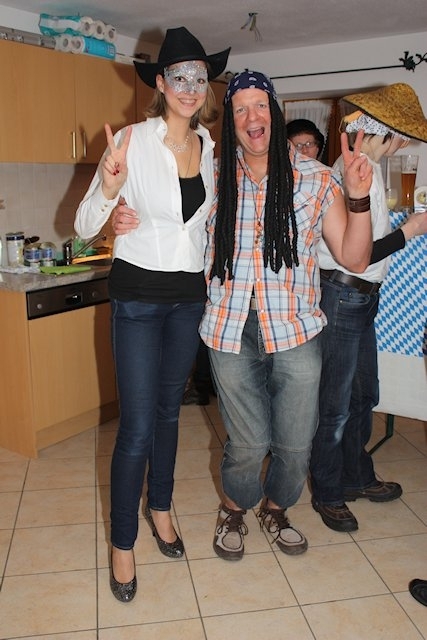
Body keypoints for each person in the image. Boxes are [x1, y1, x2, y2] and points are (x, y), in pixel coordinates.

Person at [75, 26, 230, 602]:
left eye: (198, 77)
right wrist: (108, 191)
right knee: (138, 425)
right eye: (178, 77)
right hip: (138, 297)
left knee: (170, 413)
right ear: (160, 84)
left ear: (205, 87)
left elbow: (202, 227)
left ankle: (160, 507)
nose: (189, 87)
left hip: (188, 298)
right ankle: (122, 542)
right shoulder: (131, 142)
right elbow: (83, 225)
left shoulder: (210, 148)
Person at [198, 70, 374, 561]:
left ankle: (275, 508)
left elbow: (355, 258)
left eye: (260, 105)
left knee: (296, 444)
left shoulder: (316, 178)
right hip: (229, 328)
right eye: (240, 109)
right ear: (231, 122)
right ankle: (234, 506)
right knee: (248, 444)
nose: (251, 117)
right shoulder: (212, 176)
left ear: (274, 112)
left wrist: (358, 196)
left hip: (295, 329)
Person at [310, 83, 427, 533]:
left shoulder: (368, 170)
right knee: (335, 404)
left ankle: (356, 475)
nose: (403, 144)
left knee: (362, 395)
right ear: (384, 132)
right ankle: (328, 490)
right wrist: (411, 230)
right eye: (400, 136)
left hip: (358, 299)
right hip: (342, 295)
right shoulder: (351, 171)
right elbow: (355, 256)